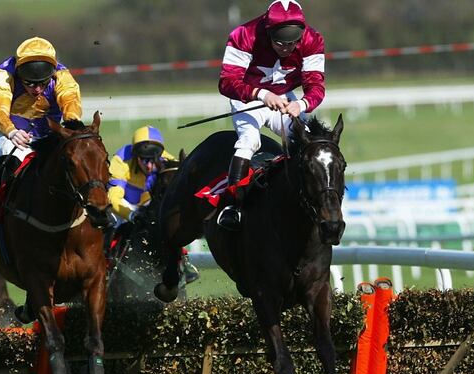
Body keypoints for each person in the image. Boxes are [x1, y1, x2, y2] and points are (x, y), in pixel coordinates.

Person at [0, 36, 83, 249]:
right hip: (14, 137)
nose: (36, 90)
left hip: (49, 136)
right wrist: (10, 131)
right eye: (29, 83)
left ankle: (97, 212)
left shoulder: (61, 74)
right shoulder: (4, 74)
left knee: (81, 159)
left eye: (43, 83)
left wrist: (71, 124)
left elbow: (70, 99)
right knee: (11, 157)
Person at [217, 0, 325, 231]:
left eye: (293, 42)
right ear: (268, 31)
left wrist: (302, 105)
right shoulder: (243, 35)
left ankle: (309, 201)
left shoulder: (313, 40)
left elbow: (316, 86)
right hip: (247, 96)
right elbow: (227, 82)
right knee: (249, 141)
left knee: (307, 139)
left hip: (285, 97)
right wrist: (261, 94)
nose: (286, 48)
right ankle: (232, 207)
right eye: (279, 42)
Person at [107, 125, 199, 283]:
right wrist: (132, 214)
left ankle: (182, 261)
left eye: (152, 160)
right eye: (144, 160)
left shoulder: (167, 160)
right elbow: (114, 198)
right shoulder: (120, 160)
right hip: (123, 206)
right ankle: (105, 264)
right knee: (110, 225)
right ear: (136, 155)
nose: (149, 166)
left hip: (147, 206)